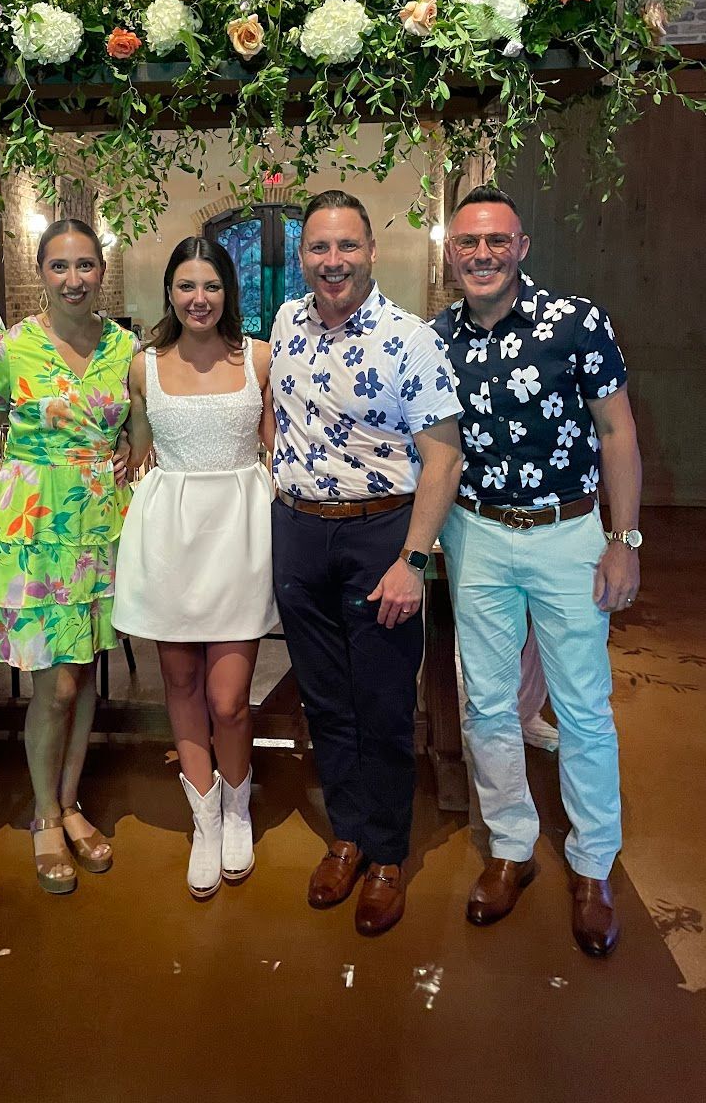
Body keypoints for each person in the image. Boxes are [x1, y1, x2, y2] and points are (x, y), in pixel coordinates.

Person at [434, 183, 640, 957]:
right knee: (486, 702)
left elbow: (617, 432)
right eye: (467, 243)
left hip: (567, 532)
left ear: (521, 247)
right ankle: (511, 846)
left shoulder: (577, 323)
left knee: (583, 705)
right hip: (477, 534)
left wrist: (626, 540)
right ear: (450, 253)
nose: (481, 254)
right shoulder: (435, 338)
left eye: (496, 241)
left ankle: (592, 867)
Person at [270, 191, 462, 935]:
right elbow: (276, 410)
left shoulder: (410, 339)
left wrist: (412, 560)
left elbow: (443, 459)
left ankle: (386, 854)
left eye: (347, 246)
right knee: (325, 700)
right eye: (319, 248)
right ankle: (346, 835)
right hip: (299, 531)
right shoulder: (287, 322)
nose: (332, 262)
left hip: (380, 535)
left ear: (371, 252)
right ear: (304, 257)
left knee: (383, 704)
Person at [113, 237, 279, 899]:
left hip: (239, 530)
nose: (199, 298)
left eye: (211, 286)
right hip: (169, 531)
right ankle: (205, 820)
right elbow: (141, 450)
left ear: (228, 292)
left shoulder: (260, 357)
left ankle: (239, 807)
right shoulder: (143, 364)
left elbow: (276, 448)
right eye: (186, 286)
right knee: (179, 687)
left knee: (228, 697)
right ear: (170, 293)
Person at [0, 219, 135, 895]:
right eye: (59, 266)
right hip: (36, 528)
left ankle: (70, 805)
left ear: (101, 270)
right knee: (57, 684)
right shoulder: (9, 348)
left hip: (101, 522)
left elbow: (140, 435)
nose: (73, 278)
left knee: (85, 670)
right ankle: (45, 814)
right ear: (40, 272)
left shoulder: (124, 347)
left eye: (85, 265)